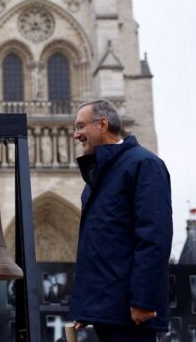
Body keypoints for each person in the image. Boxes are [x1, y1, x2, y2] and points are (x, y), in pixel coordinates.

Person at [69, 100, 172, 341]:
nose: (75, 135)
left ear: (102, 124)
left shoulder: (144, 164)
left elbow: (154, 236)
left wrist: (144, 300)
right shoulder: (98, 177)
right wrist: (88, 306)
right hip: (107, 309)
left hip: (132, 311)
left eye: (80, 126)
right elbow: (98, 247)